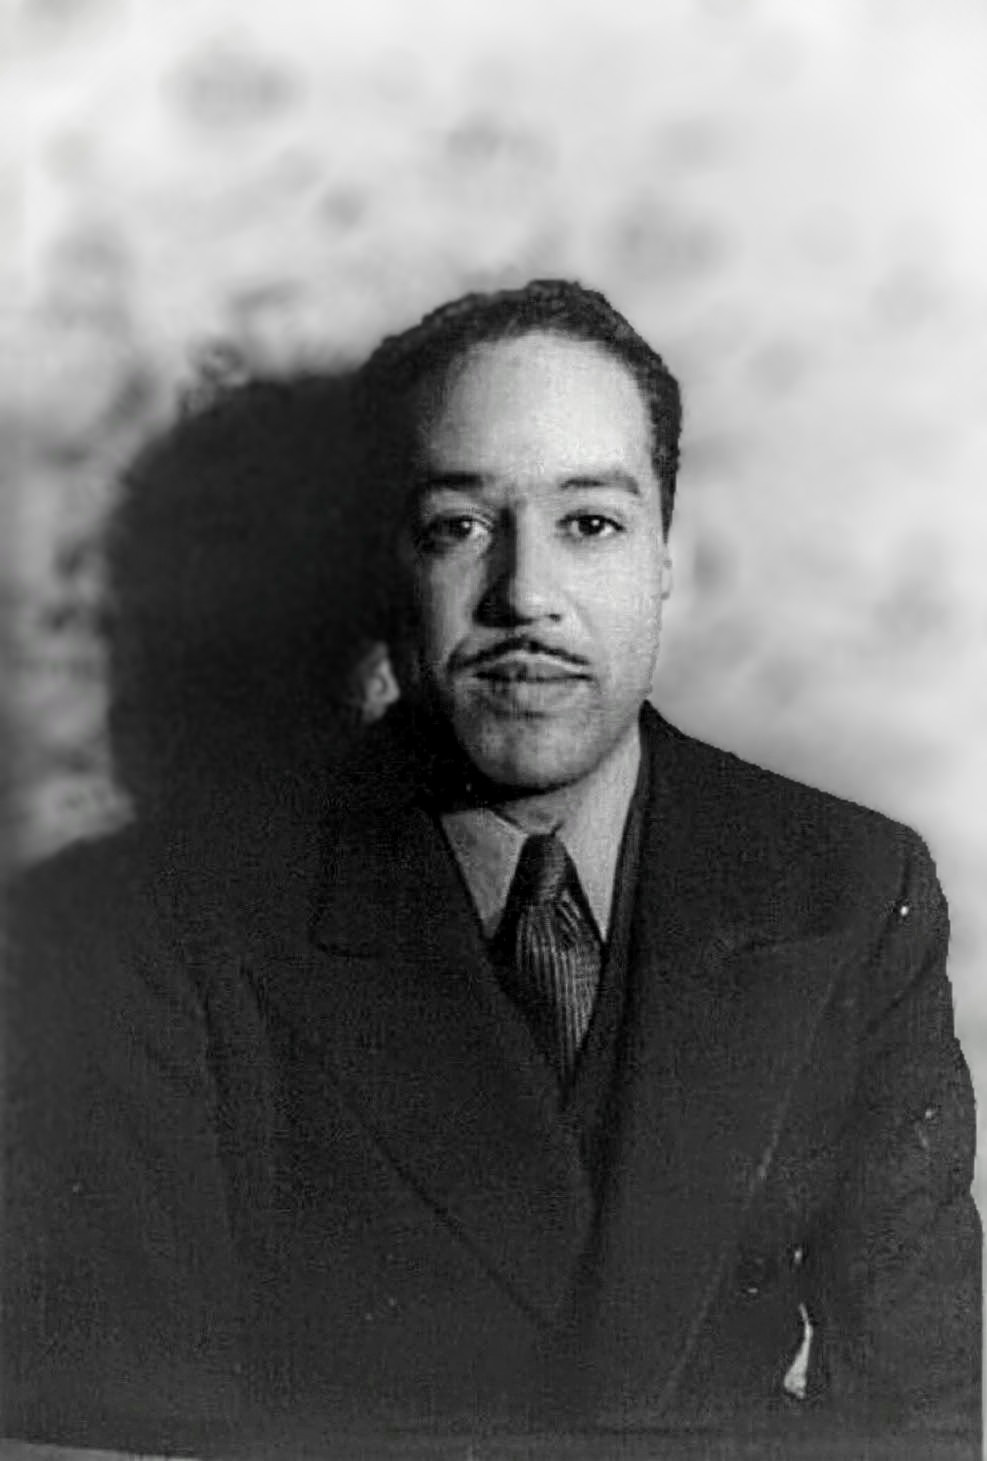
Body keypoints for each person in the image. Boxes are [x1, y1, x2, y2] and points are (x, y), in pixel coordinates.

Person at [3, 280, 980, 1457]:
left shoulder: (847, 889)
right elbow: (150, 1431)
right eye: (459, 526)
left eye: (590, 524)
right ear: (384, 575)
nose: (525, 596)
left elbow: (923, 1416)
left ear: (664, 557)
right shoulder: (149, 928)